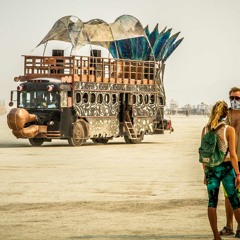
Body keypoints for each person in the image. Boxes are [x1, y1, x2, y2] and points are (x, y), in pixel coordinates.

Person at [201, 100, 240, 240]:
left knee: (212, 202)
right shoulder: (229, 129)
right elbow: (234, 155)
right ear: (225, 113)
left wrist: (205, 172)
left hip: (211, 169)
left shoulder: (205, 129)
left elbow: (203, 154)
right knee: (235, 201)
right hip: (226, 168)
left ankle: (216, 237)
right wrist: (238, 173)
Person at [220, 87, 240, 237]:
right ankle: (229, 225)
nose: (234, 101)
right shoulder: (225, 117)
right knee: (228, 195)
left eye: (237, 98)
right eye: (232, 98)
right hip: (227, 160)